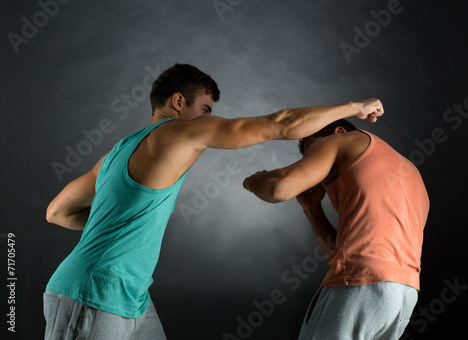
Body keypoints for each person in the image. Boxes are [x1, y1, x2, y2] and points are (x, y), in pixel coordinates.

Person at [44, 63, 383, 340]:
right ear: (178, 102)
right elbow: (280, 124)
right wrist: (354, 108)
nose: (208, 119)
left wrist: (118, 220)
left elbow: (57, 212)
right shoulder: (177, 132)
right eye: (204, 109)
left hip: (132, 298)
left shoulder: (114, 154)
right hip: (92, 294)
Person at [243, 119, 430, 339]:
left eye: (313, 154)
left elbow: (277, 188)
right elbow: (341, 256)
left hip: (360, 285)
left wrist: (252, 181)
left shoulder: (343, 140)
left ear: (339, 132)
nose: (313, 167)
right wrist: (312, 208)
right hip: (402, 293)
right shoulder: (409, 171)